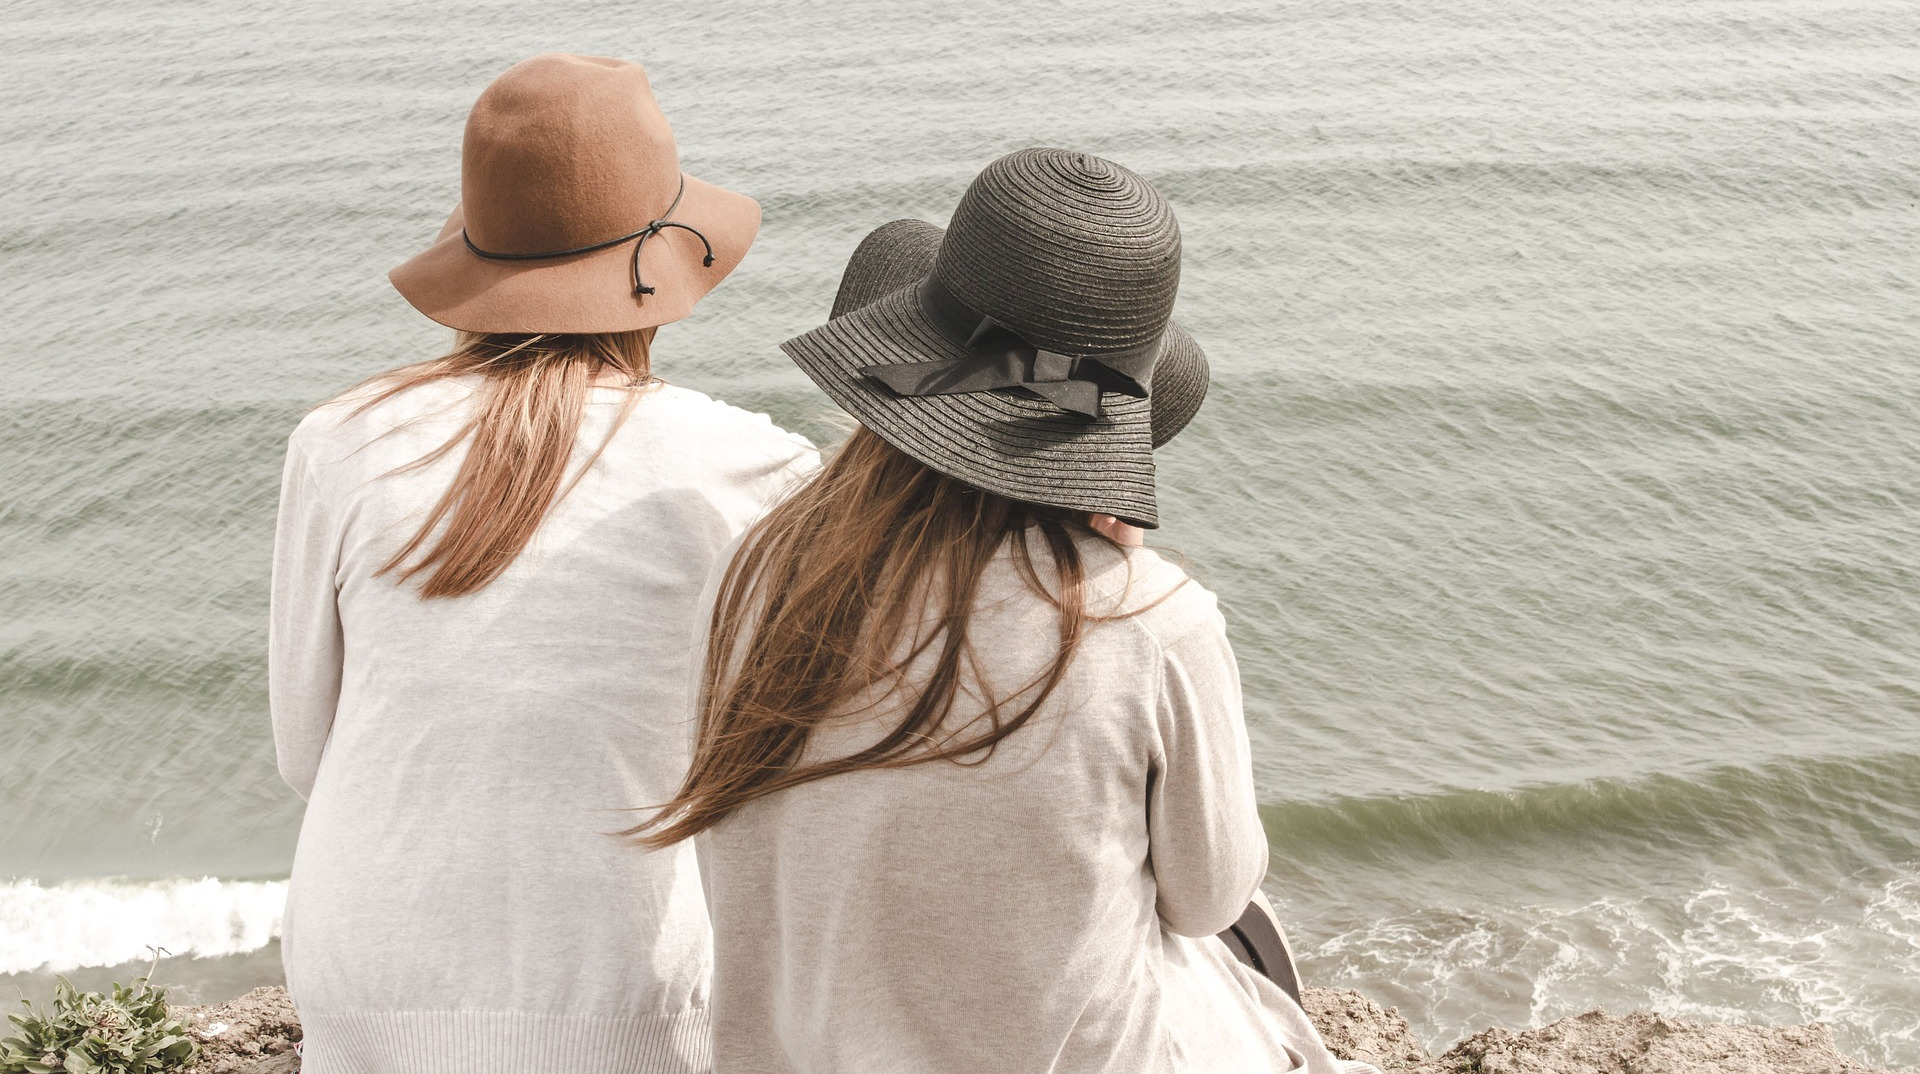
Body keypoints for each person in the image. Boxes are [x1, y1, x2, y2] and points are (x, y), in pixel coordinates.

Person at [634, 148, 1379, 1073]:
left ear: (908, 356)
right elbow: (1208, 899)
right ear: (1100, 433)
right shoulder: (1146, 626)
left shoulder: (756, 565)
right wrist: (1110, 576)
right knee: (1243, 944)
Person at [269, 54, 816, 1074]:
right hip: (630, 984)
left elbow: (309, 752)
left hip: (368, 970)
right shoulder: (754, 467)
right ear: (666, 265)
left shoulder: (336, 442)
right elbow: (784, 777)